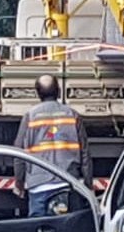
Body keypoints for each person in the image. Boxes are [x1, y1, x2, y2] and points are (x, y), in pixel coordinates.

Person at [12, 74, 92, 216]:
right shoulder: (72, 115)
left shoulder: (30, 117)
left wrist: (19, 182)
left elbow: (19, 154)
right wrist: (87, 184)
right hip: (67, 183)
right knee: (66, 231)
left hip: (38, 186)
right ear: (59, 91)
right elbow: (85, 153)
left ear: (37, 93)